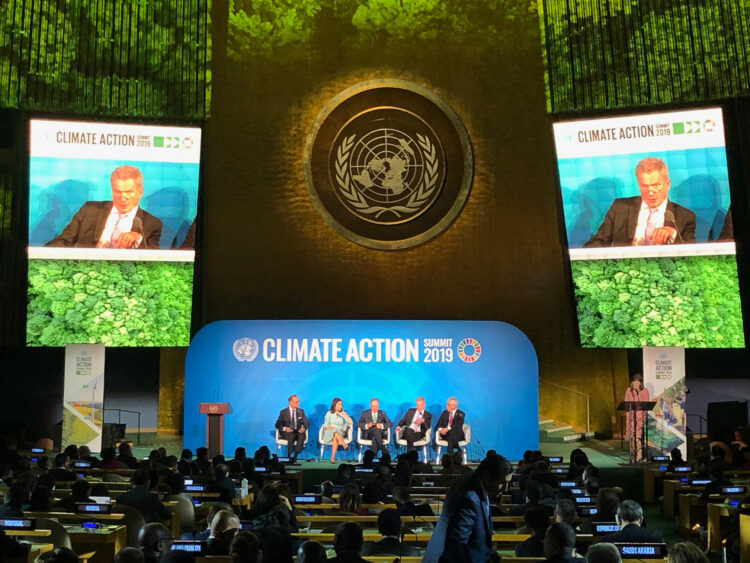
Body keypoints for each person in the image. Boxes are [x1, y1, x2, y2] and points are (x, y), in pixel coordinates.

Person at [585, 157, 696, 247]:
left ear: (667, 184)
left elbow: (691, 255)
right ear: (638, 186)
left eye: (656, 185)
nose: (651, 192)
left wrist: (673, 235)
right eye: (644, 186)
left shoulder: (685, 217)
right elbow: (598, 242)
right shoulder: (620, 207)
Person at [423, 453, 513, 563]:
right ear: (488, 477)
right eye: (502, 483)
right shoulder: (468, 497)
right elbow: (456, 545)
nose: (505, 488)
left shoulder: (474, 484)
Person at [46, 165, 163, 248]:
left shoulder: (152, 224)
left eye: (129, 192)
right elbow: (64, 240)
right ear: (111, 190)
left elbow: (152, 263)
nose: (123, 198)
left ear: (140, 192)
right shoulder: (89, 210)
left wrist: (138, 239)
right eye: (118, 191)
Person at [274, 394, 309, 462]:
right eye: (296, 402)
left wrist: (303, 428)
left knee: (301, 435)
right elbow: (277, 424)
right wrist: (285, 428)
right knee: (291, 434)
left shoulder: (301, 411)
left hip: (298, 431)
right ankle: (289, 456)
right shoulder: (283, 412)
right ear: (290, 402)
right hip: (287, 432)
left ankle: (295, 456)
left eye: (298, 401)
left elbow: (307, 423)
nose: (298, 403)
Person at [624, 373, 650, 462]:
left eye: (636, 383)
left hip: (639, 416)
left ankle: (639, 456)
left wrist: (637, 392)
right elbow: (626, 403)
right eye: (633, 382)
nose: (634, 384)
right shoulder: (628, 390)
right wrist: (633, 392)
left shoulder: (645, 391)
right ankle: (632, 456)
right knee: (632, 436)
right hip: (631, 415)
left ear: (640, 383)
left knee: (637, 436)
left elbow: (645, 404)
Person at [322, 398, 353, 463]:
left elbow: (350, 423)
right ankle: (344, 445)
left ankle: (332, 458)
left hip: (340, 433)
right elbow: (325, 425)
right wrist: (328, 427)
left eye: (341, 404)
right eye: (339, 404)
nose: (340, 406)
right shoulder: (329, 413)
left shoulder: (343, 414)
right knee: (334, 431)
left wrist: (345, 416)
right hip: (329, 432)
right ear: (334, 405)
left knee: (335, 436)